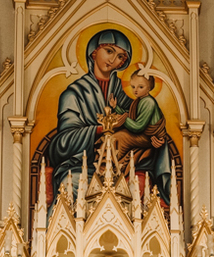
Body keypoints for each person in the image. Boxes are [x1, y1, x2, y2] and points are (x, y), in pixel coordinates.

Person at [46, 29, 170, 207]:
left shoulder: (129, 91)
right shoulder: (73, 94)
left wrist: (156, 139)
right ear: (94, 52)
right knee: (73, 186)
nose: (113, 60)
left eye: (120, 56)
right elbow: (60, 145)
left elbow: (145, 124)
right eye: (109, 51)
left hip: (124, 168)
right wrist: (99, 129)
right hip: (84, 168)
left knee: (138, 189)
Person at [111, 70, 166, 176]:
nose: (135, 90)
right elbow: (130, 116)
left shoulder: (148, 102)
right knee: (114, 136)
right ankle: (113, 167)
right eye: (133, 87)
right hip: (143, 135)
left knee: (118, 137)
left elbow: (138, 127)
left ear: (149, 88)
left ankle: (112, 168)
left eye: (140, 87)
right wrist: (115, 107)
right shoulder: (140, 100)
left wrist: (123, 120)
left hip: (147, 137)